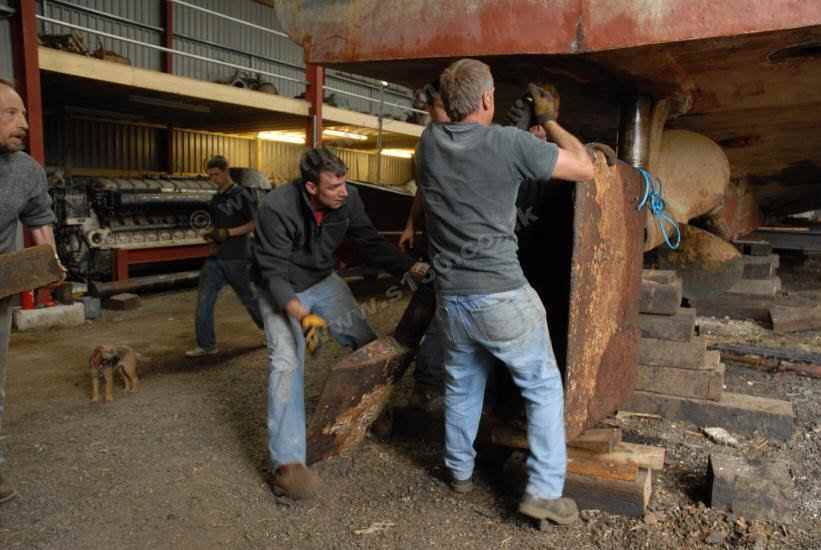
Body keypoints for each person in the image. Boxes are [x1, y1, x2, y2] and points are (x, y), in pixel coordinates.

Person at [415, 59, 595, 525]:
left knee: (462, 382)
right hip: (502, 294)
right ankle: (543, 491)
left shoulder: (430, 143)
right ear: (488, 101)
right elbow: (585, 168)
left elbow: (463, 135)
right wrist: (550, 119)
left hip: (452, 298)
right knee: (542, 387)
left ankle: (458, 472)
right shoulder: (510, 144)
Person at [251, 147, 428, 499]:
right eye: (335, 186)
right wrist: (301, 314)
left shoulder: (348, 199)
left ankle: (371, 409)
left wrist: (407, 266)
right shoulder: (276, 208)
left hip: (321, 279)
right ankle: (288, 466)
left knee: (366, 341)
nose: (344, 191)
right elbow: (271, 271)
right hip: (281, 288)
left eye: (345, 182)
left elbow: (369, 242)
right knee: (287, 362)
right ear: (311, 188)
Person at [0, 78, 65, 504]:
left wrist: (52, 268)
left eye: (23, 113)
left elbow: (39, 221)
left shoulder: (25, 170)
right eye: (10, 113)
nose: (23, 122)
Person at [398, 81, 451, 411]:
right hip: (438, 241)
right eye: (433, 109)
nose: (436, 115)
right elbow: (423, 189)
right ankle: (427, 386)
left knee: (441, 311)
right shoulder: (429, 140)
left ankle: (428, 383)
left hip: (455, 243)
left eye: (441, 108)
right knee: (435, 308)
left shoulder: (461, 138)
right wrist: (410, 223)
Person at [186, 155, 264, 357]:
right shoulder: (216, 198)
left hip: (237, 257)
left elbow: (255, 224)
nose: (213, 179)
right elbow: (219, 226)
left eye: (216, 174)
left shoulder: (243, 195)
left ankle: (272, 333)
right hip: (216, 258)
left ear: (226, 171)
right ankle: (207, 345)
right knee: (204, 300)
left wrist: (228, 233)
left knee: (250, 298)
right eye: (210, 175)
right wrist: (212, 236)